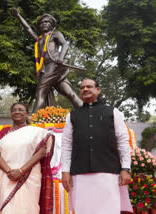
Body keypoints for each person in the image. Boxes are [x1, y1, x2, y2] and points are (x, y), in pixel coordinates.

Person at [61, 79, 133, 214]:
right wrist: (65, 171)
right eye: (82, 87)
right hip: (80, 173)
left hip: (108, 172)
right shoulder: (72, 116)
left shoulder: (112, 112)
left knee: (109, 210)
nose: (85, 89)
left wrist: (126, 168)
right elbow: (66, 145)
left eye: (89, 86)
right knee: (84, 210)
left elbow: (123, 141)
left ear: (98, 90)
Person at [12, 9, 83, 113]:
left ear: (52, 25)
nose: (43, 24)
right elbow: (28, 28)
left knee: (40, 92)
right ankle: (87, 112)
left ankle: (34, 120)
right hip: (47, 67)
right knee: (69, 93)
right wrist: (18, 16)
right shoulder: (39, 39)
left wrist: (61, 58)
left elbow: (65, 45)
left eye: (46, 22)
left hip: (55, 64)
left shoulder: (56, 34)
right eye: (41, 23)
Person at [0, 103, 55, 214]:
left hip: (29, 176)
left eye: (20, 110)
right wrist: (9, 171)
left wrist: (21, 171)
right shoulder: (4, 132)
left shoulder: (37, 133)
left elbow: (42, 152)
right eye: (14, 110)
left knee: (28, 207)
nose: (17, 112)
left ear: (27, 113)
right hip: (7, 176)